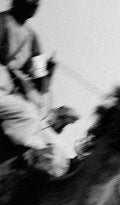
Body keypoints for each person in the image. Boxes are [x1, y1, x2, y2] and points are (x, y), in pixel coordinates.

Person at [0, 0, 69, 176]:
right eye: (31, 3)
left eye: (36, 4)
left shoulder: (33, 38)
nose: (34, 7)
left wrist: (48, 71)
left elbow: (39, 74)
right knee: (26, 114)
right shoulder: (3, 21)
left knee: (55, 143)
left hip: (15, 91)